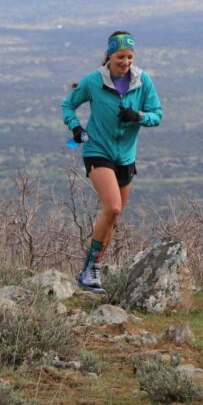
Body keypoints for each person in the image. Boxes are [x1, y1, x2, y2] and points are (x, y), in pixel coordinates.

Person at [61, 30, 163, 292]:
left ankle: (90, 269)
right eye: (120, 56)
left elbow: (157, 115)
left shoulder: (143, 81)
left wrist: (138, 115)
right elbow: (68, 105)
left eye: (129, 56)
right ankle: (90, 270)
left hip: (126, 157)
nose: (125, 62)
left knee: (113, 219)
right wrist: (75, 127)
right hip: (97, 150)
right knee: (113, 208)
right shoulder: (94, 81)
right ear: (109, 55)